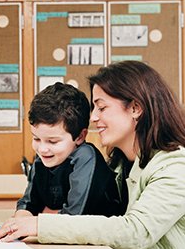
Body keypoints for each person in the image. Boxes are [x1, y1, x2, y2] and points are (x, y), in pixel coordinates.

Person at [0, 61, 185, 249]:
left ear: (136, 108)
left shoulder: (178, 166)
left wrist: (39, 225)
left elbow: (135, 232)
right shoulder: (120, 165)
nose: (94, 118)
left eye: (101, 108)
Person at [16, 82, 125, 218]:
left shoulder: (85, 157)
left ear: (80, 136)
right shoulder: (44, 159)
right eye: (36, 139)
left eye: (53, 141)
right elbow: (28, 204)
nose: (42, 149)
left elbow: (74, 217)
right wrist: (20, 219)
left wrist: (39, 219)